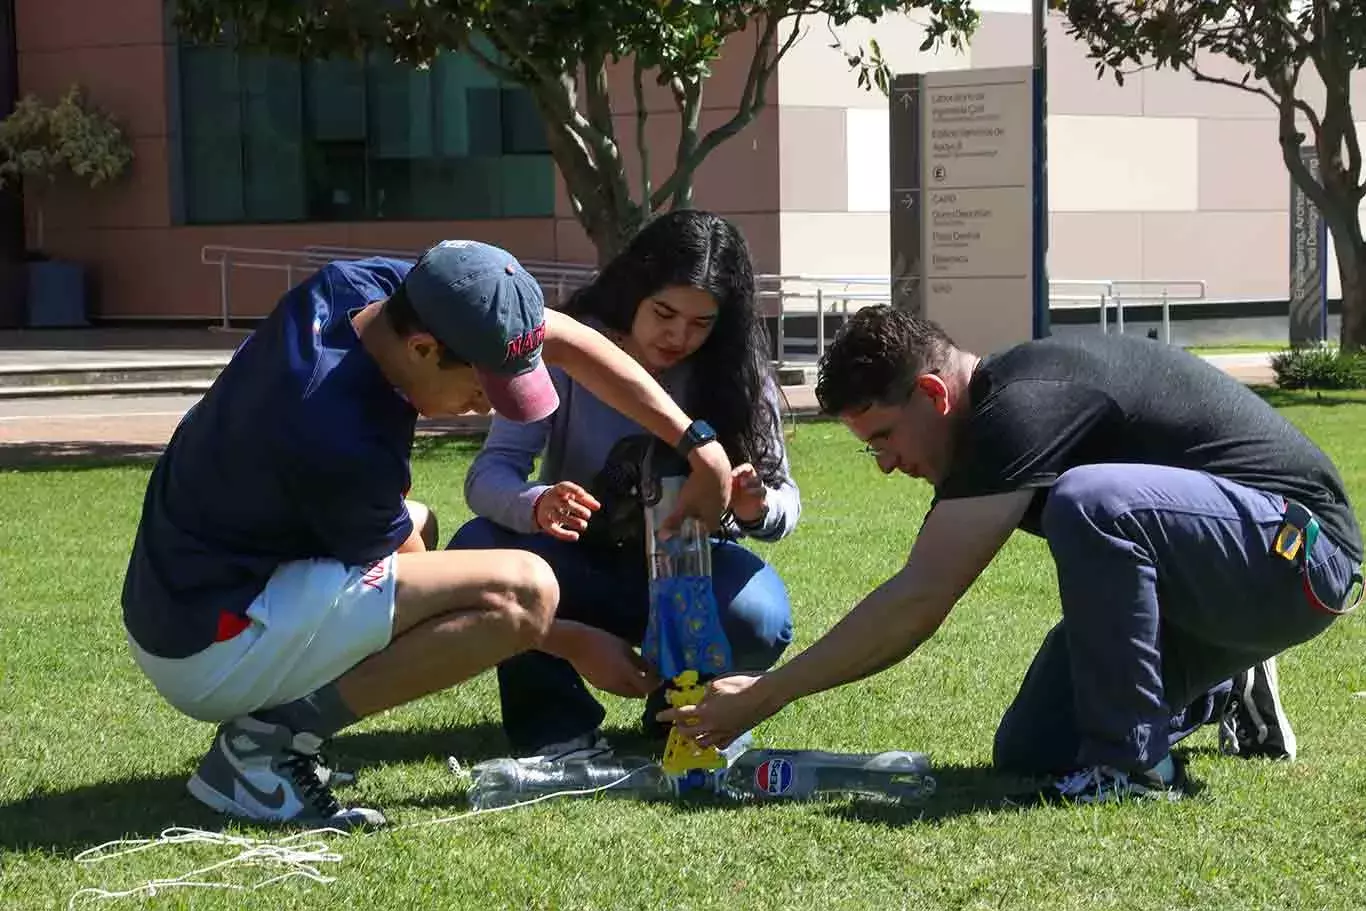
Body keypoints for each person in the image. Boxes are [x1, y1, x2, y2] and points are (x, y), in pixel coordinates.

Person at [120, 239, 737, 829]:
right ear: (421, 348)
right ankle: (262, 748)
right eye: (482, 385)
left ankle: (273, 727)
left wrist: (694, 442)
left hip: (191, 588)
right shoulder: (332, 431)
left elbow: (568, 338)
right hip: (207, 641)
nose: (489, 406)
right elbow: (436, 592)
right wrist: (573, 642)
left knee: (423, 524)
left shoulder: (379, 291)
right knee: (523, 592)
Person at [662, 305, 1363, 803]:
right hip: (1213, 584)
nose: (882, 464)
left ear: (934, 395)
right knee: (1032, 749)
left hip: (1301, 554)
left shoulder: (1022, 407)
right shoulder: (988, 431)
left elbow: (918, 600)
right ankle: (1220, 685)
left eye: (883, 438)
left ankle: (1135, 769)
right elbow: (917, 583)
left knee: (1093, 500)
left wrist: (766, 692)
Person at [448, 209, 799, 759]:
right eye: (664, 312)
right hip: (576, 562)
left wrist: (754, 508)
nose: (679, 336)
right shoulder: (567, 348)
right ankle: (554, 726)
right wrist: (539, 504)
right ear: (634, 289)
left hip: (685, 565)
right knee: (475, 550)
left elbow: (784, 498)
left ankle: (682, 713)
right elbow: (489, 475)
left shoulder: (737, 369)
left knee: (759, 614)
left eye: (701, 323)